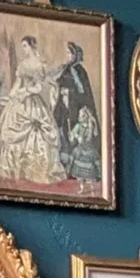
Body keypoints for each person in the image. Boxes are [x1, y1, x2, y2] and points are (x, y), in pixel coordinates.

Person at [0, 35, 65, 188]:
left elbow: (38, 88)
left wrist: (25, 91)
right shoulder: (23, 64)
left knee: (37, 132)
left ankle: (36, 173)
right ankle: (16, 172)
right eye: (22, 46)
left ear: (32, 46)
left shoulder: (39, 64)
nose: (23, 49)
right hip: (19, 102)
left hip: (32, 102)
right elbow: (18, 83)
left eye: (25, 46)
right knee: (10, 130)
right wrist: (13, 94)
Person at [53, 42, 100, 184]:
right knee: (64, 134)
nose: (67, 56)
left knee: (75, 136)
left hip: (76, 108)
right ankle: (66, 167)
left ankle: (77, 172)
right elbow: (58, 83)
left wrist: (72, 98)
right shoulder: (65, 69)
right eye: (67, 53)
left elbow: (83, 92)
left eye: (69, 53)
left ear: (75, 55)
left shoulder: (80, 71)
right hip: (64, 107)